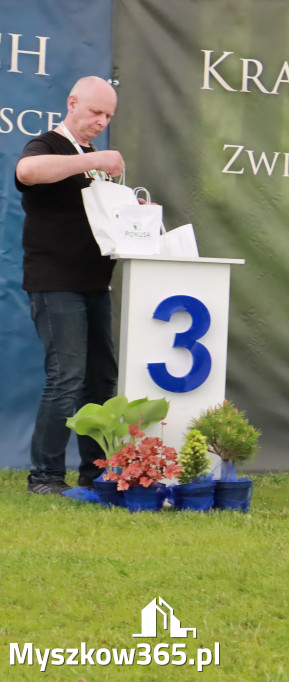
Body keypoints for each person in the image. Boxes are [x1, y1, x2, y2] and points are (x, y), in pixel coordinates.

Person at [15, 76, 125, 494]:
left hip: (95, 281)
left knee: (100, 379)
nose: (101, 121)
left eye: (108, 116)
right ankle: (45, 477)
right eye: (96, 112)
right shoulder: (48, 145)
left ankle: (95, 473)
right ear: (72, 102)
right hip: (54, 280)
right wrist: (90, 163)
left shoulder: (91, 153)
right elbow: (27, 171)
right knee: (66, 378)